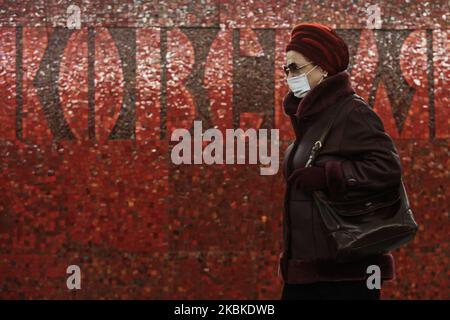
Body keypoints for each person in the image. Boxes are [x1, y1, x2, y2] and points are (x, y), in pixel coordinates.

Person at [279, 23, 402, 300]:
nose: (289, 76)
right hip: (308, 270)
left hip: (346, 273)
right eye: (286, 69)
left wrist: (328, 176)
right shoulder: (311, 120)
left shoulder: (352, 112)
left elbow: (387, 168)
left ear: (321, 68)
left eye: (296, 68)